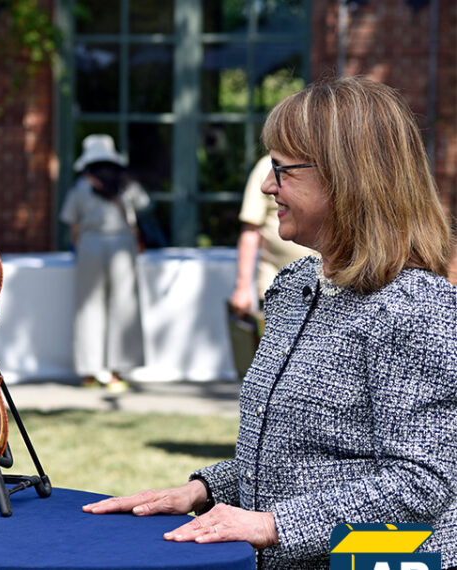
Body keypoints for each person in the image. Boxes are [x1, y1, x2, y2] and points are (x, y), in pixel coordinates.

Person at [82, 76, 457, 569]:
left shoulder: (418, 308)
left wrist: (270, 525)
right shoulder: (296, 285)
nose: (265, 185)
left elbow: (420, 483)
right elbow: (303, 454)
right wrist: (202, 489)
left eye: (282, 170)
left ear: (348, 177)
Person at [60, 134, 149, 393]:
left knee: (88, 306)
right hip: (122, 243)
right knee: (124, 304)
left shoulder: (80, 186)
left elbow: (73, 225)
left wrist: (80, 246)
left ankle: (89, 371)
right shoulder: (126, 185)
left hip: (90, 244)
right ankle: (115, 371)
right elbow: (142, 210)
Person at [228, 154, 314, 319]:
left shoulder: (323, 162)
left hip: (324, 289)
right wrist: (242, 287)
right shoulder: (264, 167)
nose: (268, 187)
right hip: (276, 288)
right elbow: (250, 231)